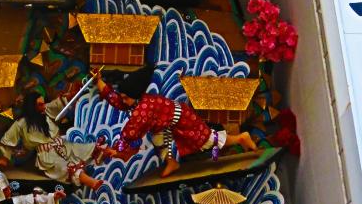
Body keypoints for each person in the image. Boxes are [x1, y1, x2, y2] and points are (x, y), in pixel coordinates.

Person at [97, 74, 255, 178]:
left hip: (182, 119)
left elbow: (130, 132)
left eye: (126, 98)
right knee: (159, 141)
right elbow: (116, 99)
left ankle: (241, 138)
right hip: (165, 124)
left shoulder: (143, 109)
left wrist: (117, 150)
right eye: (123, 97)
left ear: (135, 95)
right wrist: (99, 81)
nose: (123, 101)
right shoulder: (135, 101)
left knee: (206, 140)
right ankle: (171, 162)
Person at [0, 88, 109, 190]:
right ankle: (93, 183)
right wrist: (4, 158)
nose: (43, 106)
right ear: (32, 107)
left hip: (64, 145)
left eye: (43, 103)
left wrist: (73, 94)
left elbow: (59, 103)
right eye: (40, 104)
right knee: (68, 168)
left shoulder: (45, 112)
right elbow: (7, 142)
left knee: (89, 148)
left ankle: (114, 153)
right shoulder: (21, 124)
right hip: (47, 156)